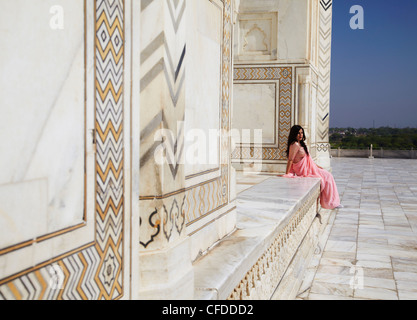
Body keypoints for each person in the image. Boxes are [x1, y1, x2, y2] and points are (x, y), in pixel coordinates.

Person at [283, 125, 342, 210]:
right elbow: (290, 159)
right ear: (294, 134)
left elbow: (308, 159)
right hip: (303, 170)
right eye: (298, 133)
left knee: (328, 175)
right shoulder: (294, 144)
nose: (300, 135)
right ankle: (330, 203)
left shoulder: (301, 144)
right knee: (327, 177)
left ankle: (333, 202)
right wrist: (287, 173)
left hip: (309, 167)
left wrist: (317, 166)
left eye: (301, 133)